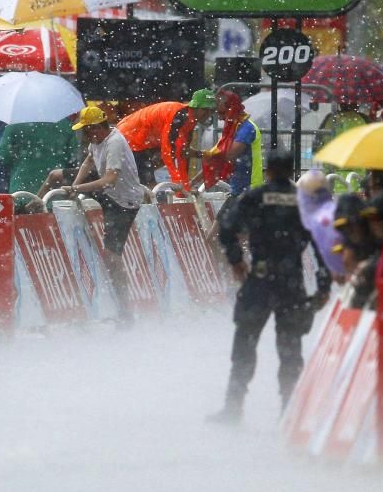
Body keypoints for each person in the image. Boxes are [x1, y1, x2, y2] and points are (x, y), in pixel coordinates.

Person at [210, 150, 331, 423]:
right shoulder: (303, 201)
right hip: (292, 283)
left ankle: (233, 407)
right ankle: (289, 411)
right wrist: (323, 286)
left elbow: (227, 228)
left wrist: (236, 261)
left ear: (268, 171)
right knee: (290, 349)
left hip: (260, 280)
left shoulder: (254, 198)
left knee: (245, 342)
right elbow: (321, 245)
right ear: (291, 171)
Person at [61, 106, 144, 323]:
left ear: (98, 127)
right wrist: (75, 184)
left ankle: (125, 310)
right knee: (56, 177)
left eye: (89, 130)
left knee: (112, 258)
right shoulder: (95, 141)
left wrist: (78, 189)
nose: (87, 135)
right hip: (110, 194)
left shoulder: (114, 142)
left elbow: (109, 179)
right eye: (85, 132)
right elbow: (89, 160)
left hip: (125, 201)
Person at [116, 88, 216, 189]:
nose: (209, 114)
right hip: (130, 137)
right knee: (149, 183)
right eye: (206, 110)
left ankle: (136, 181)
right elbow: (167, 153)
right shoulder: (179, 116)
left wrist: (185, 187)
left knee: (147, 173)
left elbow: (182, 153)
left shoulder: (190, 119)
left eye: (212, 111)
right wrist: (179, 186)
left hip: (142, 139)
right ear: (196, 107)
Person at [201, 90, 263, 196]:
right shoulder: (231, 131)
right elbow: (213, 159)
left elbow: (228, 155)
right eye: (217, 113)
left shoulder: (247, 128)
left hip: (250, 192)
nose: (220, 118)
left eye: (222, 113)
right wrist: (191, 184)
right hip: (237, 191)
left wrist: (197, 154)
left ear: (232, 109)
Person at [0, 115, 79, 194]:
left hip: (22, 188)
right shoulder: (64, 124)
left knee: (23, 206)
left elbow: (4, 155)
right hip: (54, 191)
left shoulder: (15, 123)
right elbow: (73, 156)